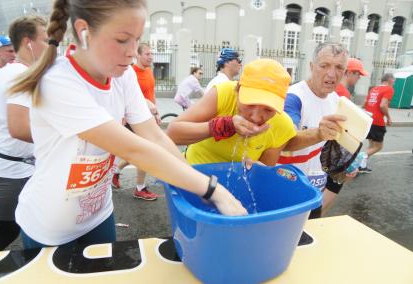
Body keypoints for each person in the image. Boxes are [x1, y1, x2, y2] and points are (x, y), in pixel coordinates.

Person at [9, 0, 246, 250]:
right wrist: (212, 190)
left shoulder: (123, 76)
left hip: (98, 214)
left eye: (137, 39)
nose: (132, 52)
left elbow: (154, 137)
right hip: (50, 226)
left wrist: (193, 181)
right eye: (122, 40)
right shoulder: (58, 83)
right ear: (84, 31)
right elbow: (135, 150)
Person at [167, 58, 342, 168]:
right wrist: (224, 125)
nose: (256, 117)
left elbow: (265, 168)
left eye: (268, 109)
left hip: (234, 187)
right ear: (237, 90)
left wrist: (258, 171)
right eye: (250, 103)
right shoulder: (223, 93)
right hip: (193, 172)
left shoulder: (281, 124)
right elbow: (173, 133)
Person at [0, 15, 48, 252]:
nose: (50, 45)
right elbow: (19, 128)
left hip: (1, 159)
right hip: (12, 169)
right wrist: (63, 137)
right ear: (28, 42)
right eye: (45, 39)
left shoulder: (8, 70)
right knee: (5, 233)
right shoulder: (21, 75)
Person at [281, 42, 349, 217]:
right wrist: (318, 133)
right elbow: (284, 141)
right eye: (324, 65)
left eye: (339, 67)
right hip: (287, 193)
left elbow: (335, 144)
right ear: (312, 66)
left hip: (315, 193)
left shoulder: (336, 100)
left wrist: (347, 163)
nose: (331, 74)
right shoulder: (294, 97)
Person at [112, 43, 161, 201]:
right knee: (144, 152)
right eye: (147, 54)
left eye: (151, 53)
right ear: (138, 56)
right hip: (134, 120)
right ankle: (140, 188)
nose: (150, 56)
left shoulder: (149, 71)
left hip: (148, 117)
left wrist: (156, 112)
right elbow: (131, 97)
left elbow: (151, 94)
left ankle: (116, 171)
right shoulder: (130, 72)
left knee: (137, 151)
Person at [359, 73, 395, 173]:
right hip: (377, 121)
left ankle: (362, 166)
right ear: (390, 80)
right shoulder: (389, 89)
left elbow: (364, 103)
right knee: (378, 146)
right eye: (394, 81)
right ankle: (359, 158)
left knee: (371, 146)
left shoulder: (373, 89)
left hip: (368, 119)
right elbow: (383, 105)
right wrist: (388, 118)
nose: (394, 84)